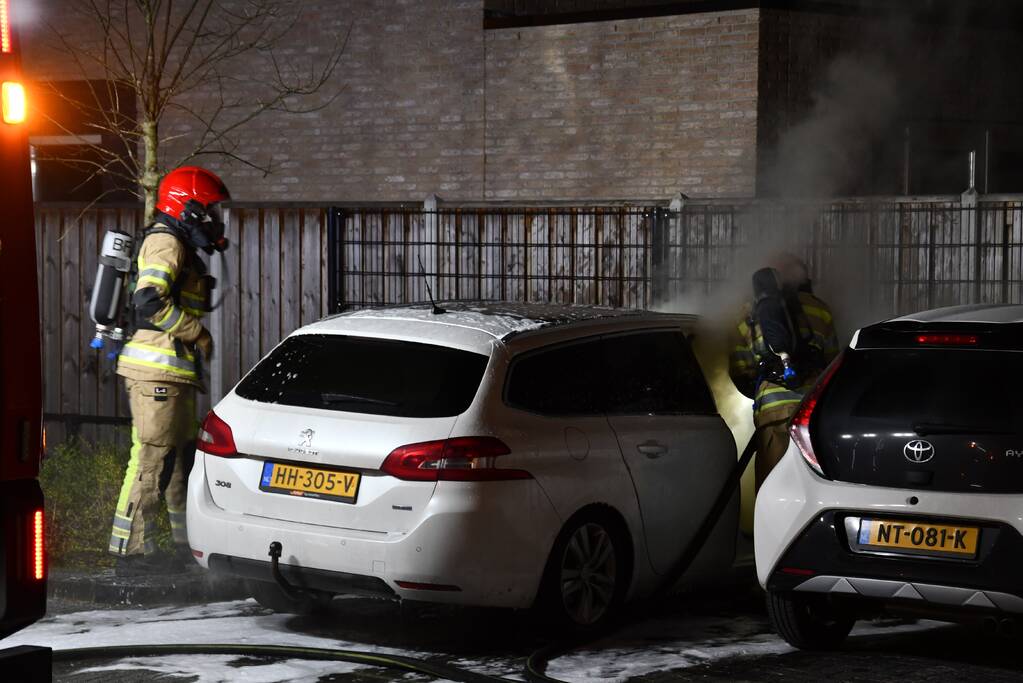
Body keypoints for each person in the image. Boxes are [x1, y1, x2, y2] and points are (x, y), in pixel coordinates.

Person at [108, 166, 230, 576]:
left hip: (172, 376)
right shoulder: (165, 242)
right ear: (187, 207)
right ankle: (131, 551)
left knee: (179, 462)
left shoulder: (179, 244)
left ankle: (180, 546)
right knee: (152, 460)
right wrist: (197, 332)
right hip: (155, 373)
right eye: (209, 210)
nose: (215, 219)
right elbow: (148, 299)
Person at [729, 254, 838, 493]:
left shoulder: (746, 315)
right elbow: (833, 363)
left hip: (773, 414)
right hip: (812, 415)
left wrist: (764, 389)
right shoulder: (820, 309)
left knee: (773, 489)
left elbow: (740, 370)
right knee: (813, 488)